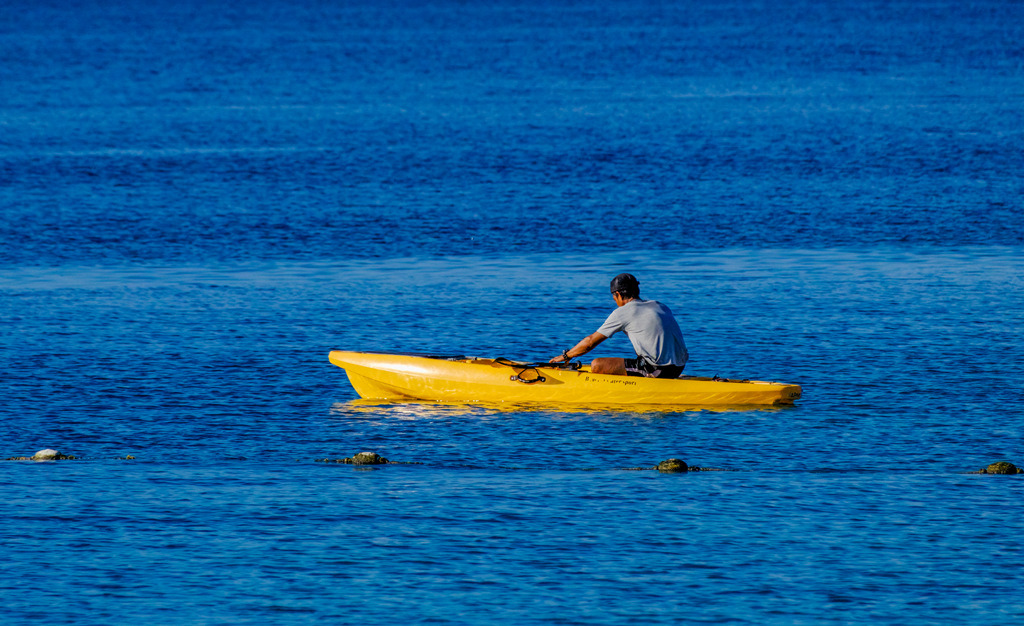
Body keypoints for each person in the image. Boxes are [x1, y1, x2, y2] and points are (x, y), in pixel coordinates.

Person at [550, 273, 689, 378]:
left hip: (658, 370)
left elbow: (590, 342)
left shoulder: (623, 312)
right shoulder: (660, 305)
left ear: (618, 294)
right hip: (679, 367)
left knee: (597, 365)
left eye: (614, 297)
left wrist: (565, 357)